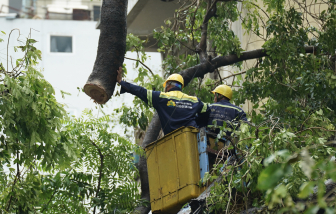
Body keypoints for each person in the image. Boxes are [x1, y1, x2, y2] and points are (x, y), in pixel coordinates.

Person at [117, 67, 208, 135]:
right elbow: (207, 109)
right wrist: (198, 123)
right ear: (181, 86)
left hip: (173, 140)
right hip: (194, 137)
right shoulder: (194, 100)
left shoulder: (161, 97)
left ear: (168, 85)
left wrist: (121, 82)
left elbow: (141, 91)